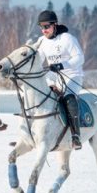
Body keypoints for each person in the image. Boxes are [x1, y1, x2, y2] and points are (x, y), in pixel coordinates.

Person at [37, 10, 85, 150]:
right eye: (41, 27)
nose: (44, 30)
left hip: (72, 75)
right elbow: (38, 59)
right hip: (53, 77)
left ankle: (76, 136)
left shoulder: (67, 38)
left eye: (46, 26)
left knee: (68, 98)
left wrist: (62, 65)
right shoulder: (41, 41)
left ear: (55, 25)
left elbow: (79, 58)